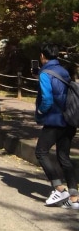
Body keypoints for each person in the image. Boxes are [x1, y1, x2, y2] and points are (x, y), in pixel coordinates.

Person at [35, 43, 79, 208]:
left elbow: (47, 98)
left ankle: (59, 189)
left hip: (54, 120)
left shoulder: (45, 73)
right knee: (63, 157)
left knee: (41, 152)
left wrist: (41, 110)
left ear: (42, 56)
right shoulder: (63, 71)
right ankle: (74, 198)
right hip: (70, 119)